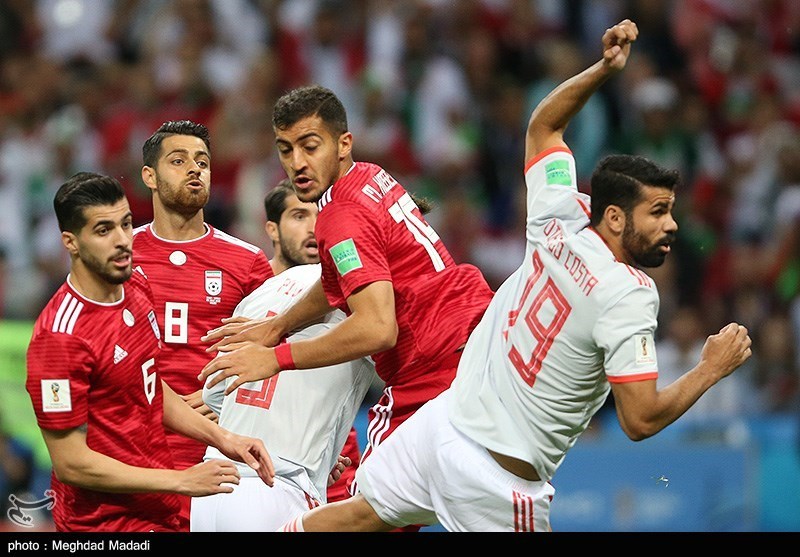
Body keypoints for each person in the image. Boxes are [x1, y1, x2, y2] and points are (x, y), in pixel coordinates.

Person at [277, 19, 753, 532]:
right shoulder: (630, 295)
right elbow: (639, 421)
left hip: (441, 424)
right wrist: (710, 368)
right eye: (657, 212)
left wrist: (602, 69)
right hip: (495, 480)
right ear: (614, 216)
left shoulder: (559, 214)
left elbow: (543, 126)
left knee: (357, 518)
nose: (671, 225)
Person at [198, 82, 495, 517]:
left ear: (343, 143)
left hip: (430, 372)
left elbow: (377, 327)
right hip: (474, 348)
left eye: (309, 146)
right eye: (285, 149)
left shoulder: (340, 217)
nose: (296, 163)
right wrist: (278, 325)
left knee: (360, 512)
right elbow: (341, 279)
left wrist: (276, 357)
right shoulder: (371, 177)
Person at [25, 172, 274, 532]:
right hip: (101, 524)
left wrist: (225, 438)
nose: (122, 240)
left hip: (158, 507)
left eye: (125, 224)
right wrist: (180, 480)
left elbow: (150, 383)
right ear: (71, 242)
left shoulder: (136, 287)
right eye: (103, 230)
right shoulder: (60, 338)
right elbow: (72, 463)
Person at [191, 180, 375, 531]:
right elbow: (381, 332)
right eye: (299, 215)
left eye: (319, 218)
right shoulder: (356, 291)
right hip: (278, 482)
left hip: (213, 487)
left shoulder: (258, 294)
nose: (312, 227)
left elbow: (217, 393)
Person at [132, 120, 274, 526]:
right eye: (178, 161)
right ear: (150, 176)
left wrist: (218, 398)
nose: (195, 169)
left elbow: (269, 356)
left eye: (203, 162)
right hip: (134, 445)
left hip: (218, 453)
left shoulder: (247, 262)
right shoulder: (120, 255)